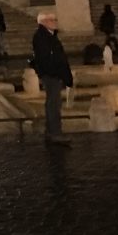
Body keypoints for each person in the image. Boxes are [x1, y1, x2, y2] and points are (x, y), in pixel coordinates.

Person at [32, 12, 74, 146]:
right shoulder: (42, 37)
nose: (55, 22)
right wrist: (56, 73)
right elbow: (48, 58)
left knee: (53, 103)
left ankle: (51, 131)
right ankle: (55, 133)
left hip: (52, 74)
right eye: (52, 20)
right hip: (51, 75)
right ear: (43, 22)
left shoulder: (48, 36)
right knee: (54, 104)